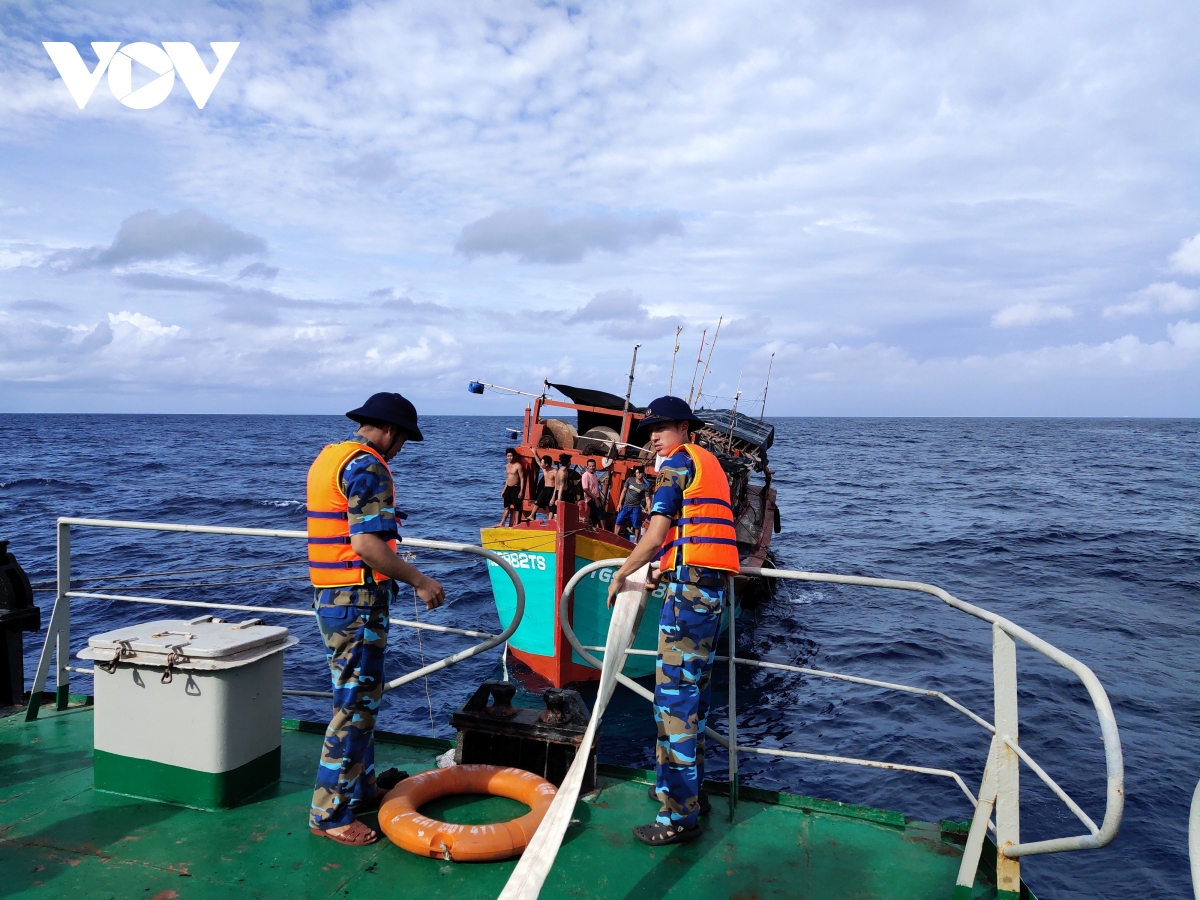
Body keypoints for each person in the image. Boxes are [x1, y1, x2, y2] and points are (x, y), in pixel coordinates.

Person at [306, 391, 446, 847]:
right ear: (390, 431)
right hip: (356, 601)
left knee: (360, 700)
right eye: (403, 438)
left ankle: (361, 788)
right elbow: (368, 546)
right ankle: (330, 814)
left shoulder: (331, 457)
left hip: (333, 597)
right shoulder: (368, 466)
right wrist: (421, 581)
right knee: (353, 709)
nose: (401, 448)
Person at [606, 396, 739, 847]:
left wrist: (623, 572)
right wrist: (664, 565)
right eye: (649, 430)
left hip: (687, 596)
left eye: (660, 427)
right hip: (710, 590)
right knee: (693, 700)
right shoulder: (708, 464)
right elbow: (690, 534)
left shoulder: (675, 465)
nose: (653, 436)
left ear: (684, 427)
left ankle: (678, 816)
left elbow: (657, 533)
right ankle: (688, 794)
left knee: (674, 703)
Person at [615, 466, 650, 539]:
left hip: (635, 508)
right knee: (618, 521)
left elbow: (647, 499)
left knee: (637, 525)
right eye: (637, 473)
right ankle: (615, 537)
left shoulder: (645, 487)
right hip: (625, 506)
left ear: (643, 474)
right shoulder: (630, 480)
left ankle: (635, 541)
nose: (638, 475)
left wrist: (649, 510)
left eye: (640, 473)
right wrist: (619, 503)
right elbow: (624, 491)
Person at [498, 447, 526, 527]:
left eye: (511, 456)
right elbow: (507, 479)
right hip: (508, 488)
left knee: (517, 508)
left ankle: (517, 524)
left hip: (516, 488)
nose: (509, 457)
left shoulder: (518, 466)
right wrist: (504, 490)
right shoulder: (507, 466)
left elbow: (522, 478)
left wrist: (521, 491)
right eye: (508, 456)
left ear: (514, 456)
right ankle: (502, 522)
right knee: (506, 507)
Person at [531, 455, 557, 521]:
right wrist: (534, 452)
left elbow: (557, 485)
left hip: (552, 489)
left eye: (542, 463)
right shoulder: (544, 469)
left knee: (551, 507)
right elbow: (537, 461)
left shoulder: (554, 471)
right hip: (545, 489)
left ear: (546, 464)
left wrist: (553, 497)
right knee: (538, 502)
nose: (541, 464)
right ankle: (531, 516)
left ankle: (550, 521)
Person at [581, 458, 604, 526]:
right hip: (590, 498)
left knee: (594, 517)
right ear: (587, 466)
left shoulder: (595, 475)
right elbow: (585, 489)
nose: (592, 467)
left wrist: (599, 497)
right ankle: (604, 531)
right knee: (601, 514)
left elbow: (596, 488)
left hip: (596, 497)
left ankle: (593, 529)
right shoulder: (585, 475)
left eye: (593, 466)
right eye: (590, 466)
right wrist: (595, 499)